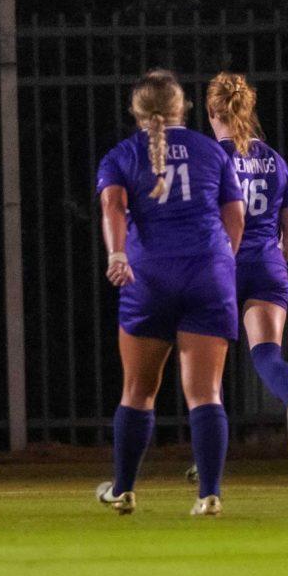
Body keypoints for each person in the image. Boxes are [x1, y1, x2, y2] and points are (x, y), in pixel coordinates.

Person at [94, 69, 244, 517]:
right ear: (183, 108)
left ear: (136, 112)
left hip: (150, 278)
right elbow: (234, 215)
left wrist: (117, 253)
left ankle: (123, 489)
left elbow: (112, 205)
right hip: (207, 275)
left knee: (137, 391)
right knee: (206, 392)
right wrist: (222, 262)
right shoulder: (211, 152)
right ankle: (209, 493)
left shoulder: (121, 155)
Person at [205, 72, 288, 460]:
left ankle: (207, 460)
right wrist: (271, 264)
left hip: (223, 265)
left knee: (207, 367)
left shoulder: (212, 159)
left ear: (212, 110)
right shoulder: (273, 159)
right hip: (268, 265)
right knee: (267, 354)